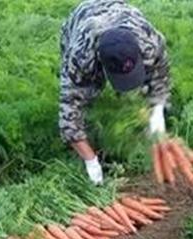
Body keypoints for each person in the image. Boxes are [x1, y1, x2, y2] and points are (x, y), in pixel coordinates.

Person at [59, 0, 171, 184]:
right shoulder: (80, 58)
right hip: (81, 20)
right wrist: (90, 161)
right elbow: (68, 116)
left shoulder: (149, 41)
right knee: (86, 95)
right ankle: (94, 134)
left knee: (143, 88)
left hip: (119, 10)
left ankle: (129, 105)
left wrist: (157, 108)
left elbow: (161, 73)